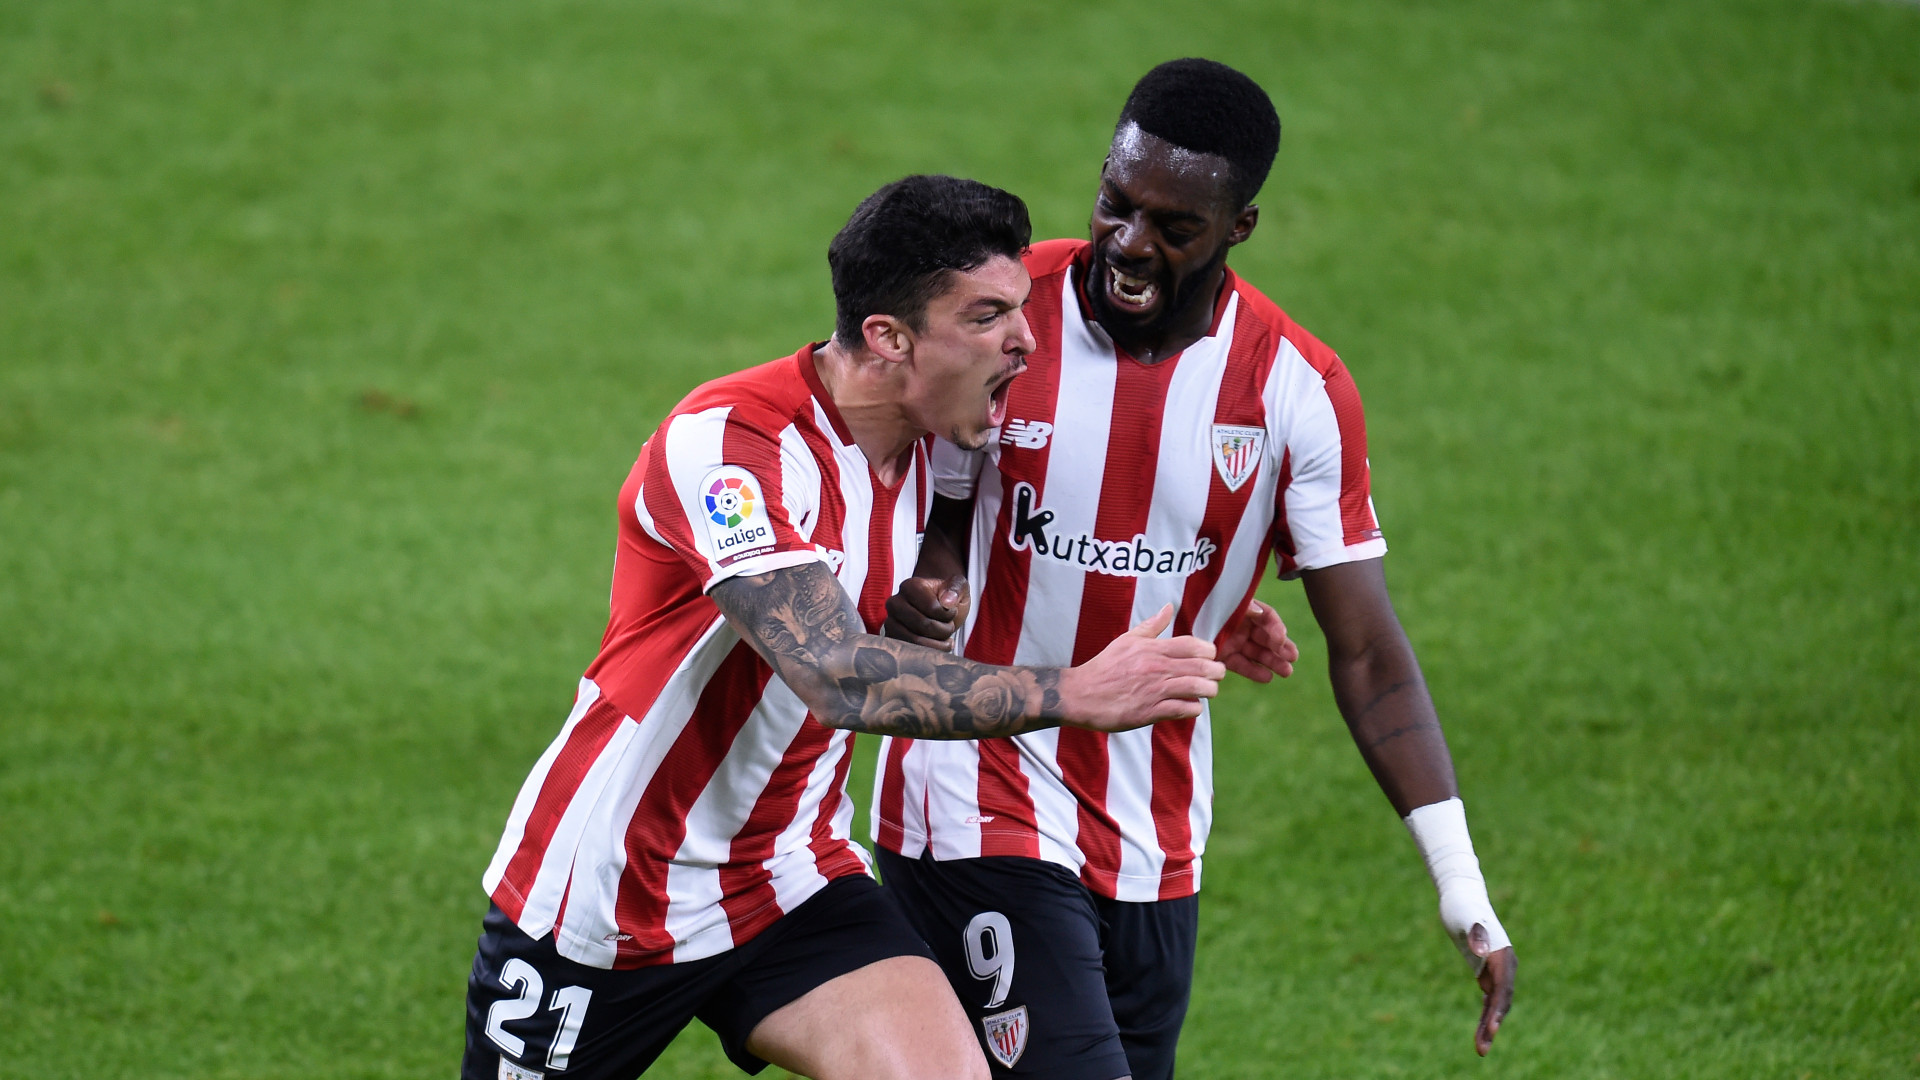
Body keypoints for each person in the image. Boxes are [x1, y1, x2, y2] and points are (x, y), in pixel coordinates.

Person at [460, 174, 1228, 1080]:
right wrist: (1075, 693)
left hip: (790, 872)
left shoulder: (943, 433)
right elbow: (834, 672)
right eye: (987, 317)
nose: (1026, 340)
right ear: (889, 337)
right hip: (612, 894)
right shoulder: (731, 448)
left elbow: (1061, 525)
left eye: (1020, 309)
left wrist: (1231, 598)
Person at [875, 60, 1518, 1080]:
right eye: (1116, 205)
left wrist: (1460, 884)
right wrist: (927, 578)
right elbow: (873, 447)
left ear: (1238, 227)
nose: (1130, 244)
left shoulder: (1293, 391)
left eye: (1175, 227)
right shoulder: (1003, 314)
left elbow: (1367, 652)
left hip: (1154, 831)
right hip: (975, 791)